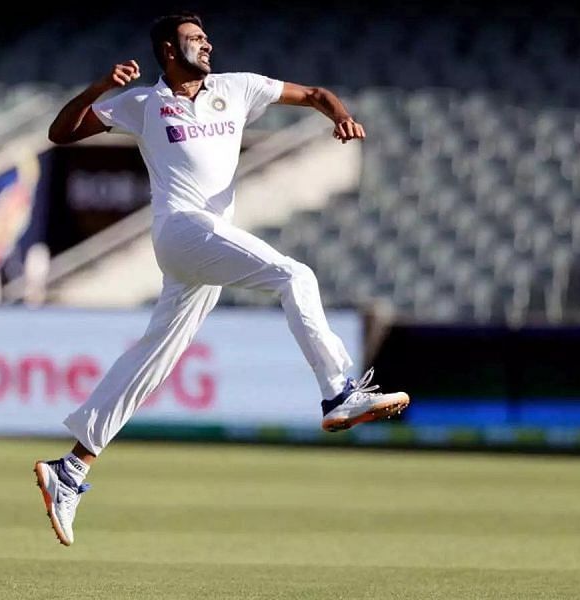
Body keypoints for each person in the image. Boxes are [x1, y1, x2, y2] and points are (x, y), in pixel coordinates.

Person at [34, 12, 410, 547]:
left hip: (205, 244)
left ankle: (70, 470)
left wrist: (340, 117)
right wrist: (98, 88)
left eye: (206, 36)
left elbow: (317, 94)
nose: (207, 43)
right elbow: (61, 132)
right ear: (168, 48)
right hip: (180, 229)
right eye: (194, 38)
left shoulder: (237, 88)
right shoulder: (142, 103)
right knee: (294, 274)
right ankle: (337, 393)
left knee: (154, 357)